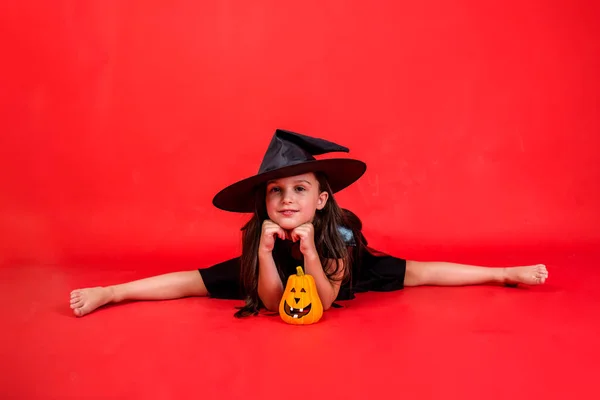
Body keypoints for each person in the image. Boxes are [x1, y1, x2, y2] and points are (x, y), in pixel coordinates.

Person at [69, 129, 548, 318]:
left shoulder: (338, 235)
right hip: (274, 267)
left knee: (419, 273)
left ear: (322, 199)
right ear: (263, 202)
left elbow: (325, 301)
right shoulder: (263, 237)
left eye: (299, 189)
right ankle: (114, 292)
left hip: (335, 267)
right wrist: (261, 253)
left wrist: (314, 252)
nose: (286, 199)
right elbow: (279, 304)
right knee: (196, 282)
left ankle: (502, 272)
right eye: (275, 191)